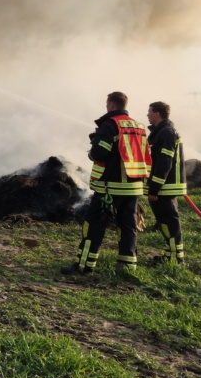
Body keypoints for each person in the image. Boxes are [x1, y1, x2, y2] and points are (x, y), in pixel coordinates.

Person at [61, 91, 151, 275]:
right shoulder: (139, 127)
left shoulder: (110, 125)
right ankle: (127, 266)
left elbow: (99, 153)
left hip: (111, 187)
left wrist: (94, 144)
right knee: (127, 226)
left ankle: (84, 265)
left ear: (111, 105)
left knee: (94, 225)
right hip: (134, 187)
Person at [146, 101, 186, 265]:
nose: (147, 115)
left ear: (157, 114)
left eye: (149, 112)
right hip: (164, 186)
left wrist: (154, 188)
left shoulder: (166, 133)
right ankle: (172, 255)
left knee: (169, 222)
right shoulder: (162, 131)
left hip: (165, 187)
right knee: (165, 222)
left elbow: (164, 163)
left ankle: (176, 258)